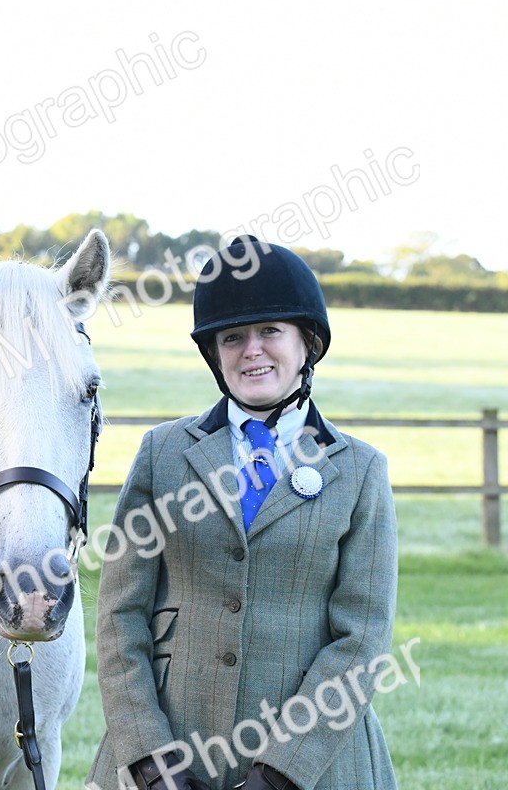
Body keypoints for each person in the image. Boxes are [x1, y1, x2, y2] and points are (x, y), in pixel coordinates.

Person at [87, 236, 399, 790]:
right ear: (215, 354)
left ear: (307, 344)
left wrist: (281, 773)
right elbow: (120, 617)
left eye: (270, 332)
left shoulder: (360, 471)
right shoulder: (163, 454)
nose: (251, 350)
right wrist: (148, 758)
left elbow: (362, 640)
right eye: (233, 338)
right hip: (171, 750)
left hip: (316, 763)